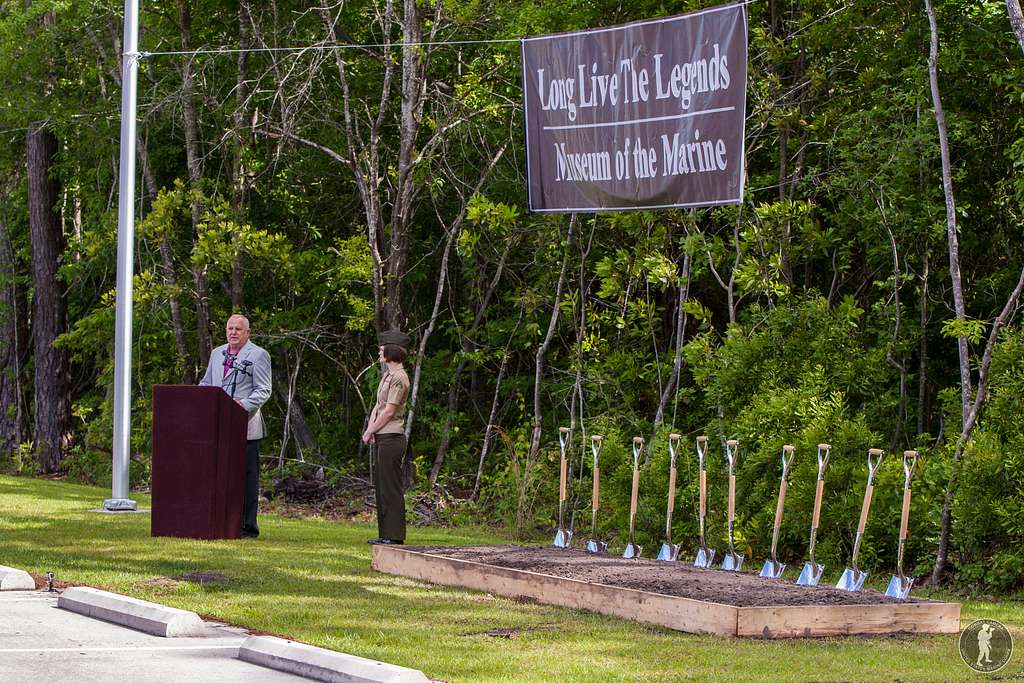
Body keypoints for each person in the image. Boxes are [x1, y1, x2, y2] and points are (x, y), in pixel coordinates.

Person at [199, 314, 272, 538]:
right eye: (230, 328)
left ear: (247, 332)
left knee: (246, 479)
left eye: (238, 329)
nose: (233, 332)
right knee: (219, 477)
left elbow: (263, 390)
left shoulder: (258, 355)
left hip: (245, 427)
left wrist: (242, 406)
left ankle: (247, 527)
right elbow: (208, 382)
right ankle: (220, 523)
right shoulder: (217, 353)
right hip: (219, 429)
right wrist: (197, 396)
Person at [362, 329, 411, 545]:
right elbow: (378, 406)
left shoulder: (399, 377)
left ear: (392, 350)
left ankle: (394, 535)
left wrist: (371, 430)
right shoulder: (387, 376)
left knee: (391, 488)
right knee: (381, 487)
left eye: (382, 348)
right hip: (383, 435)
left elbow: (390, 411)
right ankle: (385, 534)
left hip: (392, 437)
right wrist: (372, 429)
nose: (379, 351)